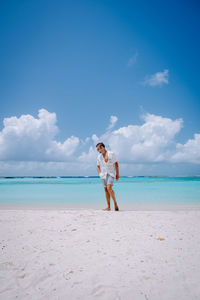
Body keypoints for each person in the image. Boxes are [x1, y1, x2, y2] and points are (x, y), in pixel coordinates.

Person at [96, 142, 119, 211]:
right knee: (106, 190)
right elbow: (97, 166)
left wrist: (117, 174)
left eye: (99, 149)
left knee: (109, 188)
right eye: (97, 150)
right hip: (103, 175)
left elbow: (116, 164)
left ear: (103, 147)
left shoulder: (111, 154)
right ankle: (108, 206)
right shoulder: (99, 157)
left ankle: (115, 203)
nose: (98, 151)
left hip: (111, 173)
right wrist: (100, 174)